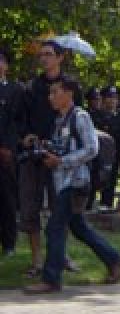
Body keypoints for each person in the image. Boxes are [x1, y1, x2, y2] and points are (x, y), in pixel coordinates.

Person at [24, 76, 120, 293]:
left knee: (54, 227)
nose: (51, 97)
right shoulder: (59, 120)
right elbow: (64, 146)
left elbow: (92, 148)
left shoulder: (80, 117)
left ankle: (51, 279)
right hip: (63, 182)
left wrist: (62, 161)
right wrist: (44, 148)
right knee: (79, 228)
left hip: (76, 182)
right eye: (50, 93)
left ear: (69, 94)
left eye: (55, 92)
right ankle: (114, 259)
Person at [18, 39, 69, 276]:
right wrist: (26, 136)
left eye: (49, 54)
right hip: (34, 155)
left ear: (60, 57)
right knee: (31, 207)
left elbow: (76, 119)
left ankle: (60, 256)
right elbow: (21, 119)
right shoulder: (31, 88)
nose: (44, 59)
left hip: (60, 157)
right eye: (41, 55)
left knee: (61, 207)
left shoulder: (70, 86)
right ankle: (37, 259)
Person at [0, 47, 25, 255]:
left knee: (7, 198)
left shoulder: (15, 90)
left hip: (5, 153)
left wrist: (8, 147)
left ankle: (9, 243)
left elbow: (16, 123)